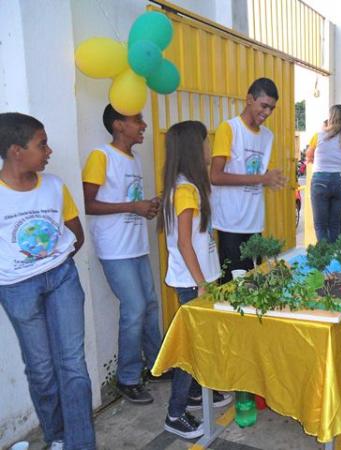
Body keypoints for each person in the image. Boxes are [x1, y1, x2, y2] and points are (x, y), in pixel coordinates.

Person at [0, 112, 96, 449]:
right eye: (41, 145)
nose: (49, 151)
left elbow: (76, 233)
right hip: (17, 290)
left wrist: (57, 263)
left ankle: (81, 444)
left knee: (73, 365)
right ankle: (57, 437)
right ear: (15, 151)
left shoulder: (54, 186)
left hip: (61, 280)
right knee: (40, 370)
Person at [82, 104, 163, 404]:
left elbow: (127, 201)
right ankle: (127, 378)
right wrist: (133, 207)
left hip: (136, 244)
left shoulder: (135, 158)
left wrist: (146, 207)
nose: (143, 125)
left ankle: (155, 365)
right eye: (137, 120)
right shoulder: (100, 156)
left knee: (150, 305)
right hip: (115, 248)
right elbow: (87, 204)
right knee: (135, 308)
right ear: (118, 125)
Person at [157, 120, 232, 438]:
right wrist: (202, 282)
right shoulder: (186, 190)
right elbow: (185, 242)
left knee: (201, 342)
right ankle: (175, 414)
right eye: (205, 142)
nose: (209, 148)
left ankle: (195, 393)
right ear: (193, 148)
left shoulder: (190, 185)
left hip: (198, 278)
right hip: (192, 282)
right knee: (191, 348)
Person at [210, 78, 286, 282]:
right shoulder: (229, 129)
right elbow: (215, 176)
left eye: (272, 108)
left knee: (255, 285)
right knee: (234, 288)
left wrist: (270, 178)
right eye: (264, 106)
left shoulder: (268, 136)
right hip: (231, 224)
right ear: (249, 100)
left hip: (254, 223)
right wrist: (263, 178)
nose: (267, 112)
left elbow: (254, 170)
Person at [306, 105, 341, 242]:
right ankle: (334, 259)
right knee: (335, 225)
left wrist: (315, 159)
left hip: (320, 181)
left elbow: (308, 156)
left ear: (331, 118)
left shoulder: (318, 136)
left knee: (320, 225)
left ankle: (324, 258)